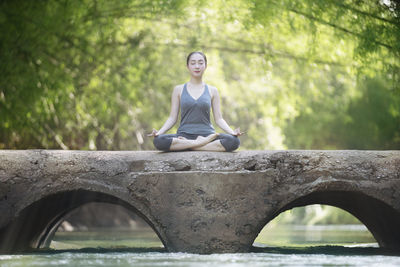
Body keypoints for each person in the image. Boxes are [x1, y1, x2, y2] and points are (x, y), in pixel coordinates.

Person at [148, 51, 242, 152]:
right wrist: (159, 133)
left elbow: (219, 119)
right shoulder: (178, 89)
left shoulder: (212, 90)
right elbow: (172, 118)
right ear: (187, 66)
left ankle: (189, 146)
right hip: (184, 135)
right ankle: (199, 144)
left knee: (234, 141)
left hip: (207, 135)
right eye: (193, 63)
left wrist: (232, 132)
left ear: (205, 66)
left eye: (200, 63)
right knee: (158, 141)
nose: (197, 66)